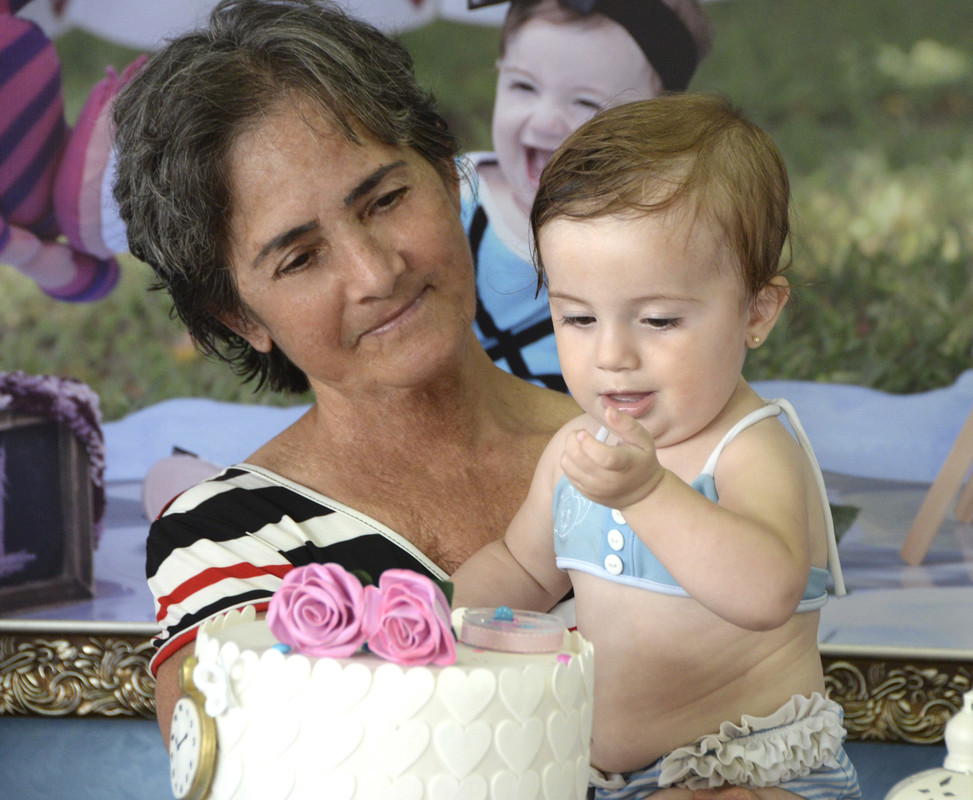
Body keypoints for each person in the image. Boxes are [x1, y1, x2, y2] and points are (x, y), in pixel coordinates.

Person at [110, 0, 578, 746]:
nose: (375, 273)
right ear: (239, 317)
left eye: (386, 200)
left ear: (448, 175)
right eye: (300, 258)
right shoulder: (226, 542)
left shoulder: (646, 451)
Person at [452, 94, 861, 800]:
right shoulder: (576, 448)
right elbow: (520, 567)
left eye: (659, 320)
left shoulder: (749, 448)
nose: (613, 355)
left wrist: (648, 494)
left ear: (757, 312)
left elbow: (768, 589)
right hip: (605, 778)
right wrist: (427, 615)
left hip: (748, 770)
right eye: (578, 319)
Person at [462, 0, 713, 391]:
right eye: (523, 86)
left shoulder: (660, 236)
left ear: (657, 122)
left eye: (586, 103)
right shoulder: (453, 197)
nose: (546, 120)